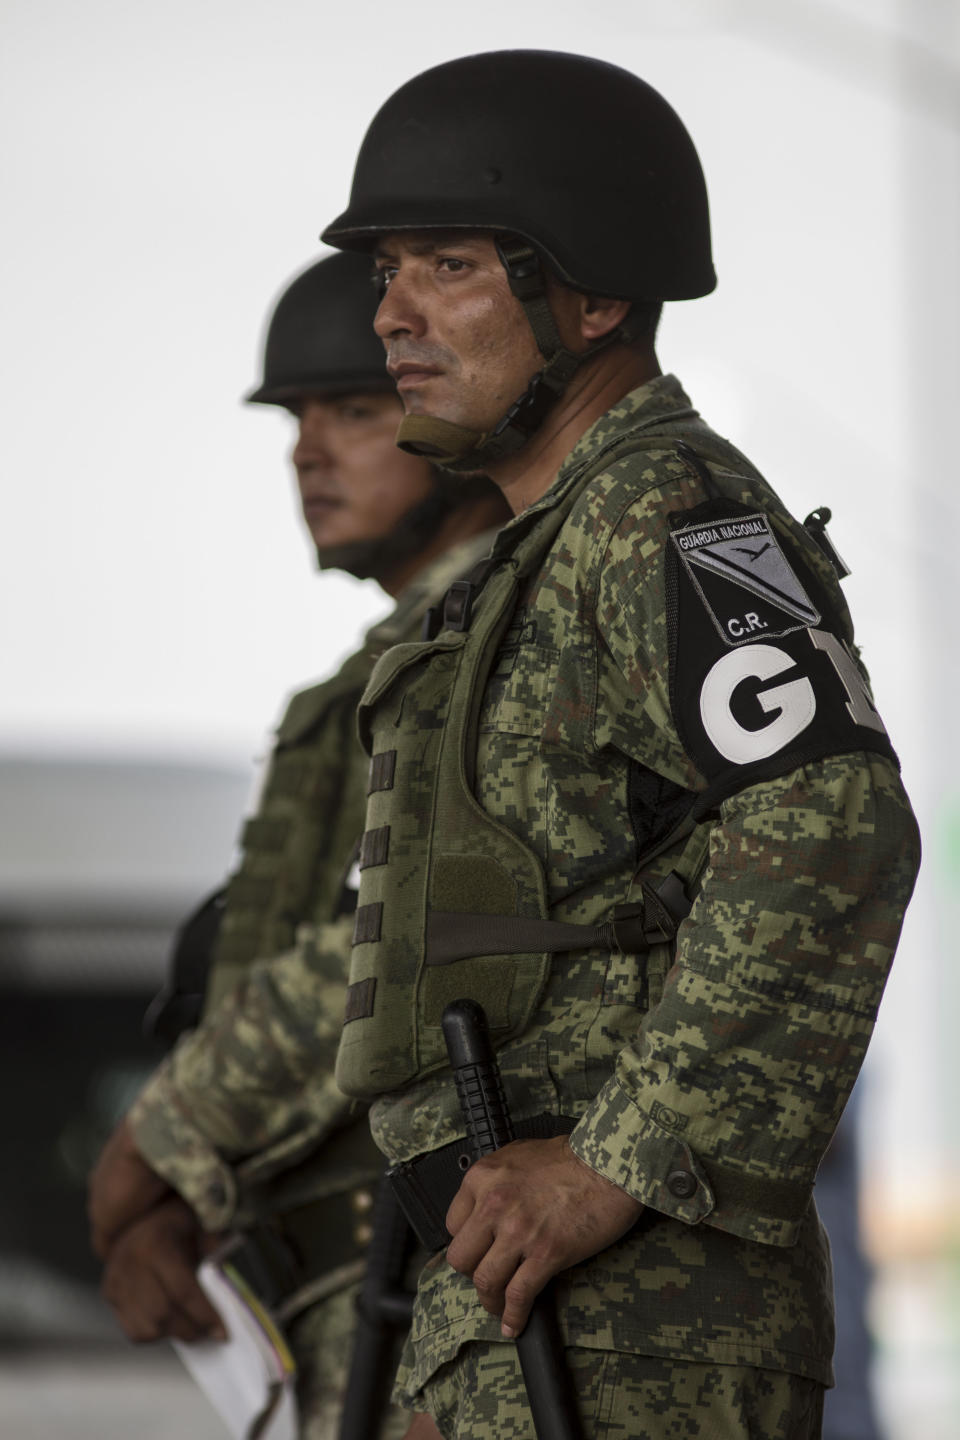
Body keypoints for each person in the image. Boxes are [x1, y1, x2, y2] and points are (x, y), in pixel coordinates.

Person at [88, 51, 920, 1439]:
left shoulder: (673, 513)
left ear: (593, 298)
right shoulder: (548, 548)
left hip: (638, 1313)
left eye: (452, 267)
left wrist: (613, 1166)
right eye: (387, 272)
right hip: (527, 1310)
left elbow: (833, 827)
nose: (395, 315)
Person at [88, 248, 509, 1439]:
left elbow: (406, 941)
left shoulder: (487, 640)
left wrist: (169, 1135)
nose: (309, 451)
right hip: (345, 1298)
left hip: (445, 1298)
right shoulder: (379, 666)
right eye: (299, 418)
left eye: (359, 410)